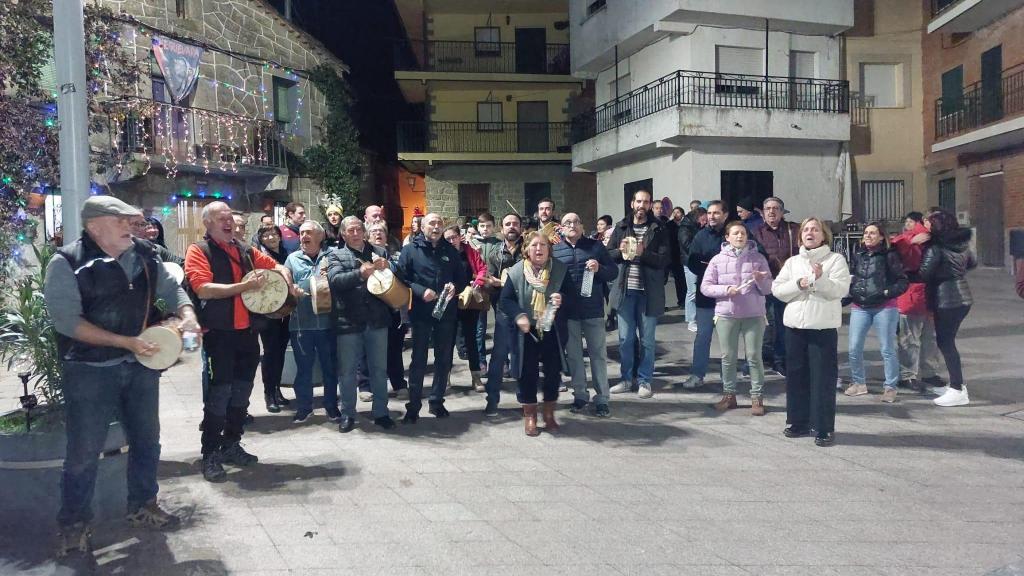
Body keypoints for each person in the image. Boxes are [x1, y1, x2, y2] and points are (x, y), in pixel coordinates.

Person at [44, 196, 197, 556]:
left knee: (148, 440)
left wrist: (187, 312)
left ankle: (143, 505)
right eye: (122, 221)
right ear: (95, 225)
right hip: (89, 369)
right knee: (84, 451)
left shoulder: (143, 252)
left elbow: (170, 288)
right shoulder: (66, 262)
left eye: (133, 221)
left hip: (139, 366)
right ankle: (73, 523)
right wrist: (124, 342)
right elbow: (68, 323)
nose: (132, 227)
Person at [184, 201, 297, 482]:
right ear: (207, 223)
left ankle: (231, 444)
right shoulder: (199, 250)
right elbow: (203, 289)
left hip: (247, 334)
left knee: (241, 394)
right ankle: (209, 453)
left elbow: (276, 265)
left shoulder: (244, 250)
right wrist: (245, 287)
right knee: (218, 396)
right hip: (219, 335)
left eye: (230, 219)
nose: (229, 223)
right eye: (222, 219)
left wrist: (285, 278)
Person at [772, 217, 851, 447]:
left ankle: (824, 427)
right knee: (796, 376)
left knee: (822, 379)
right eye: (806, 229)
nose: (810, 232)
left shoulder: (836, 260)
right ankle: (798, 421)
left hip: (822, 328)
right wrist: (799, 284)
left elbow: (840, 290)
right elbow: (777, 289)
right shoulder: (793, 262)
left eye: (815, 229)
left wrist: (820, 279)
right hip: (795, 327)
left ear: (823, 235)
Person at [326, 216, 397, 431]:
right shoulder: (335, 255)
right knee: (347, 372)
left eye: (358, 229)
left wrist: (389, 266)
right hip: (348, 321)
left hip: (377, 320)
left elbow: (396, 277)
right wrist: (360, 274)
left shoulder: (379, 252)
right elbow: (335, 281)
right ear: (343, 234)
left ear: (364, 232)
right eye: (351, 230)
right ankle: (348, 414)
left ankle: (381, 412)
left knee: (379, 369)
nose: (355, 233)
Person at [397, 212, 468, 422]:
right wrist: (420, 291)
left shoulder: (451, 251)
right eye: (431, 223)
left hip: (446, 313)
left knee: (444, 359)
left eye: (439, 223)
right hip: (421, 313)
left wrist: (455, 287)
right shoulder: (410, 250)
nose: (435, 227)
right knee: (418, 360)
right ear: (422, 226)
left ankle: (437, 401)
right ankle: (413, 406)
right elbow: (402, 278)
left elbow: (462, 278)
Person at [500, 231, 572, 436]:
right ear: (526, 250)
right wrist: (519, 315)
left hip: (552, 330)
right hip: (526, 331)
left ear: (549, 249)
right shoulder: (516, 272)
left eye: (543, 245)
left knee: (552, 372)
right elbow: (505, 300)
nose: (538, 249)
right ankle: (530, 416)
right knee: (527, 372)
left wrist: (562, 298)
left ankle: (549, 414)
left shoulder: (559, 270)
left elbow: (573, 297)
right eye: (534, 245)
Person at [700, 221, 774, 415]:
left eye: (742, 233)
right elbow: (705, 287)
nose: (740, 237)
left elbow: (768, 288)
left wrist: (760, 280)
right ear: (727, 237)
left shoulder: (758, 258)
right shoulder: (717, 260)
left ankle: (757, 398)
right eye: (735, 233)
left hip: (754, 315)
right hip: (726, 315)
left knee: (754, 357)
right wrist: (725, 290)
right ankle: (729, 395)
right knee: (727, 357)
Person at [607, 189, 670, 399]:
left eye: (646, 202)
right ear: (632, 204)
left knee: (647, 341)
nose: (642, 205)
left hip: (648, 293)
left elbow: (664, 260)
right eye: (638, 201)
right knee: (625, 339)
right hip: (625, 292)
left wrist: (645, 254)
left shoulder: (659, 228)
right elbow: (607, 256)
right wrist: (620, 252)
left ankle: (644, 380)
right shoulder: (621, 227)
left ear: (650, 205)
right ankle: (626, 379)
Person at [553, 212, 617, 417]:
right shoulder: (555, 251)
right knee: (574, 356)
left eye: (576, 222)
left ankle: (602, 398)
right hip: (568, 313)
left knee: (598, 355)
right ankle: (580, 395)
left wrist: (599, 268)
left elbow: (613, 271)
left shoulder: (595, 247)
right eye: (567, 223)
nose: (572, 225)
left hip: (592, 310)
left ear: (582, 226)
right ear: (561, 228)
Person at [844, 222, 908, 403]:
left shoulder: (889, 255)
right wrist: (850, 294)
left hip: (884, 307)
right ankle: (858, 383)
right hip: (860, 306)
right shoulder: (859, 255)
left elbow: (902, 281)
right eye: (866, 233)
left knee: (887, 348)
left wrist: (887, 292)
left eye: (872, 233)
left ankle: (890, 387)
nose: (868, 236)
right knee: (854, 347)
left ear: (881, 237)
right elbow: (853, 278)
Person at [284, 221, 340, 423]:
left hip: (328, 323)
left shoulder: (332, 255)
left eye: (308, 232)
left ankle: (332, 407)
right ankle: (304, 408)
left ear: (320, 236)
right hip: (301, 324)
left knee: (330, 368)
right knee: (304, 369)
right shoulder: (292, 259)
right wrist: (292, 291)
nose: (303, 236)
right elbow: (284, 287)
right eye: (301, 233)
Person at [919, 209, 975, 407]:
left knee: (946, 343)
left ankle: (958, 389)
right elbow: (972, 263)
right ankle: (956, 385)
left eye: (929, 223)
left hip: (946, 299)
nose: (926, 225)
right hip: (963, 296)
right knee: (947, 341)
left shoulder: (936, 247)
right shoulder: (963, 244)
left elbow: (923, 273)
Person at [891, 212, 943, 392]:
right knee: (918, 338)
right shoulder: (911, 238)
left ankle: (916, 374)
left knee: (923, 338)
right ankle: (912, 374)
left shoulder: (929, 239)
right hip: (916, 294)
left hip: (923, 294)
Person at [752, 197, 801, 375]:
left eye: (775, 208)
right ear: (763, 213)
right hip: (763, 284)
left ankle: (780, 359)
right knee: (764, 324)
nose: (771, 212)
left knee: (781, 323)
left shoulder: (793, 230)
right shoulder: (755, 232)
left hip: (786, 284)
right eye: (767, 209)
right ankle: (763, 357)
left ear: (782, 212)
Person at [682, 200, 728, 389]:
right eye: (709, 213)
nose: (711, 216)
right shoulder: (701, 236)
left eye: (716, 213)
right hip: (706, 295)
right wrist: (712, 266)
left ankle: (728, 377)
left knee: (727, 340)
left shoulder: (733, 232)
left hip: (728, 296)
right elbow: (692, 261)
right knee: (702, 337)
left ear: (725, 215)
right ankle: (697, 374)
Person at [482, 213, 524, 415]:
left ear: (521, 227)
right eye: (508, 224)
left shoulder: (529, 248)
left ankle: (526, 400)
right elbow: (490, 281)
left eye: (515, 224)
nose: (512, 227)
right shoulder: (495, 254)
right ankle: (492, 400)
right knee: (498, 356)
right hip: (504, 311)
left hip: (527, 309)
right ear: (502, 228)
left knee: (523, 355)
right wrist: (491, 284)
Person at [365, 221, 409, 400]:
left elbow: (404, 274)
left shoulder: (396, 255)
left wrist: (389, 265)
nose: (377, 234)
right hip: (371, 312)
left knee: (394, 350)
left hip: (395, 311)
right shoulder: (364, 257)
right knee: (367, 352)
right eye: (373, 231)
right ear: (367, 237)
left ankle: (399, 384)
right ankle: (366, 386)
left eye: (381, 231)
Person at [444, 224, 488, 391]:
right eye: (447, 238)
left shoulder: (469, 251)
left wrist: (477, 283)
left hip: (469, 301)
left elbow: (482, 269)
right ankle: (445, 377)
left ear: (459, 237)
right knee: (447, 341)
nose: (451, 241)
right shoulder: (442, 254)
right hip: (449, 302)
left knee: (471, 339)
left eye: (453, 237)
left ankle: (476, 377)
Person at [254, 224, 292, 413]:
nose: (271, 238)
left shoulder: (287, 254)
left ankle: (277, 390)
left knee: (280, 351)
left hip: (285, 310)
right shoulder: (260, 257)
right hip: (268, 312)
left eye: (274, 234)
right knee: (270, 353)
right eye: (266, 235)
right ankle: (269, 394)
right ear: (261, 239)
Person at [473, 212, 500, 372]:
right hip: (479, 289)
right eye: (482, 226)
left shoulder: (499, 243)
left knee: (501, 325)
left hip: (496, 287)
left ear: (494, 227)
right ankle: (481, 362)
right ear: (478, 227)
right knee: (480, 327)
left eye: (488, 226)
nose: (485, 229)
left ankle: (502, 361)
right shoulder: (471, 243)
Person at [679, 206, 705, 330]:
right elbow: (686, 245)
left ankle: (698, 318)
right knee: (692, 291)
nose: (705, 222)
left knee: (698, 290)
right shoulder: (685, 227)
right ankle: (691, 320)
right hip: (689, 262)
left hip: (699, 261)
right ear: (697, 217)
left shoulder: (698, 227)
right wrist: (701, 249)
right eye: (703, 219)